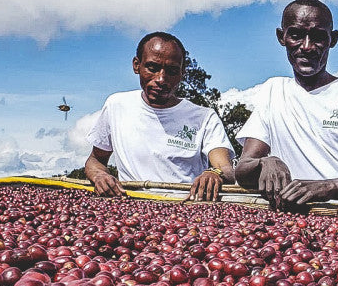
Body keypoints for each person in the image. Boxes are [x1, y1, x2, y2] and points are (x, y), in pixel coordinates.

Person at [235, 0, 338, 206]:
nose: (307, 46)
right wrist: (266, 162)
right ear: (281, 37)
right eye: (296, 35)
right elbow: (243, 169)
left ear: (333, 39)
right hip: (295, 216)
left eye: (318, 37)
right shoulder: (274, 90)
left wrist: (333, 186)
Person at [84, 32, 234, 200]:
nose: (161, 79)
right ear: (136, 65)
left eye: (172, 71)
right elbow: (95, 160)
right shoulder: (116, 105)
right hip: (130, 205)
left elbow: (225, 167)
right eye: (152, 68)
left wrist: (214, 173)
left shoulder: (204, 118)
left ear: (182, 72)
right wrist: (99, 175)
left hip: (186, 206)